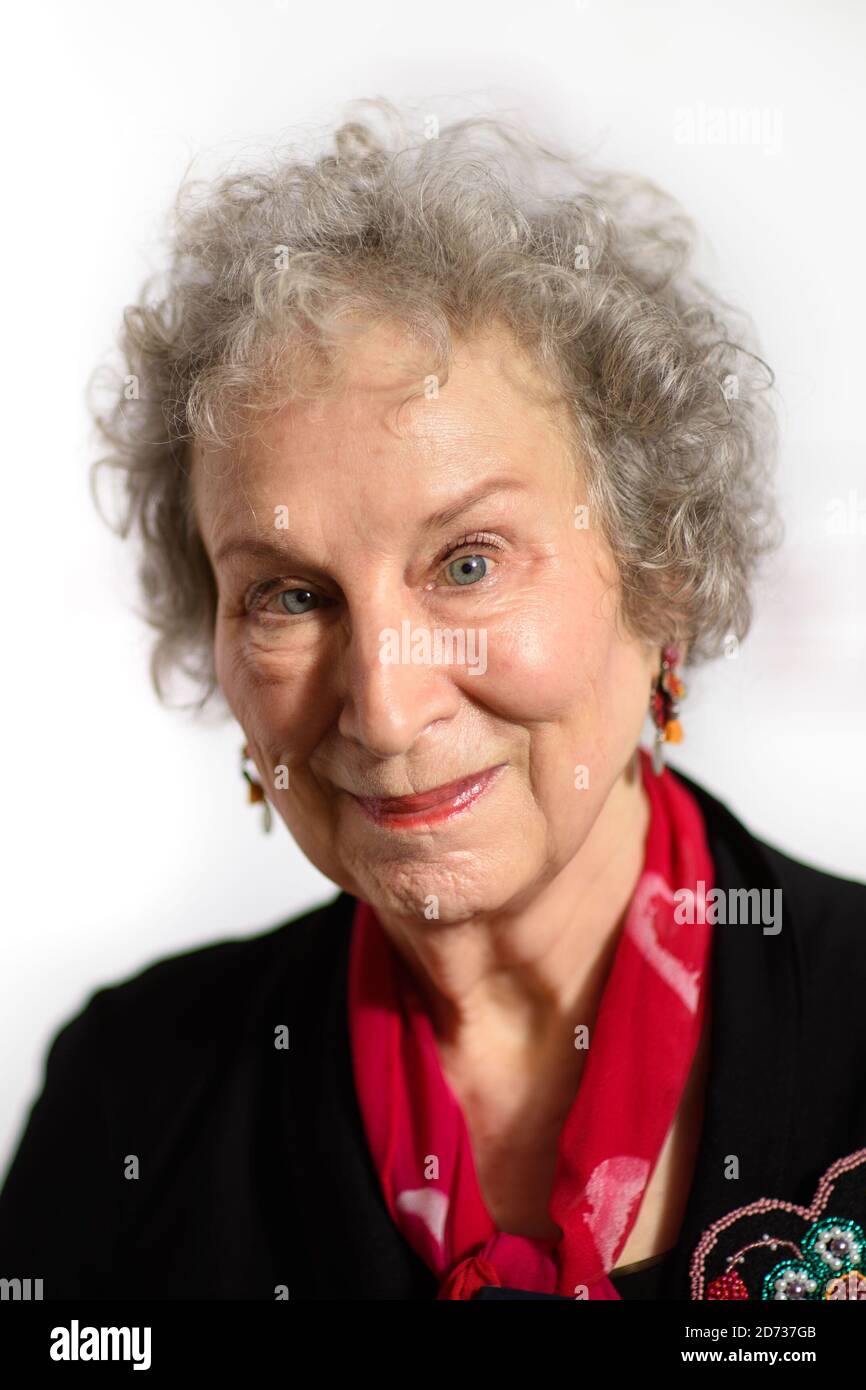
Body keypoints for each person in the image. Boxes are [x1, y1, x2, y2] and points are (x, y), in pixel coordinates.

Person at [1, 99, 864, 1302]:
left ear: (658, 576)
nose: (387, 710)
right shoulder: (132, 1095)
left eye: (467, 562)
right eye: (291, 595)